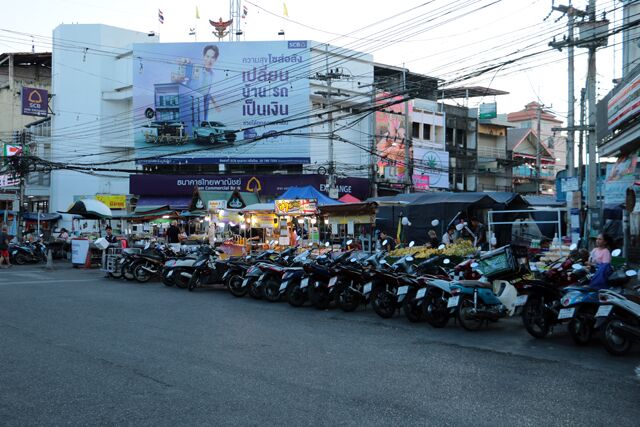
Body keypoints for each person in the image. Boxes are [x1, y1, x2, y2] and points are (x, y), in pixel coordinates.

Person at [175, 45, 221, 121]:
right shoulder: (195, 68)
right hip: (190, 103)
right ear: (203, 56)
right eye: (207, 56)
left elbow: (207, 91)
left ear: (215, 59)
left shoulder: (212, 75)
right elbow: (178, 77)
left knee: (202, 125)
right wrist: (183, 63)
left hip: (203, 104)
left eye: (212, 57)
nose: (209, 60)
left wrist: (215, 103)